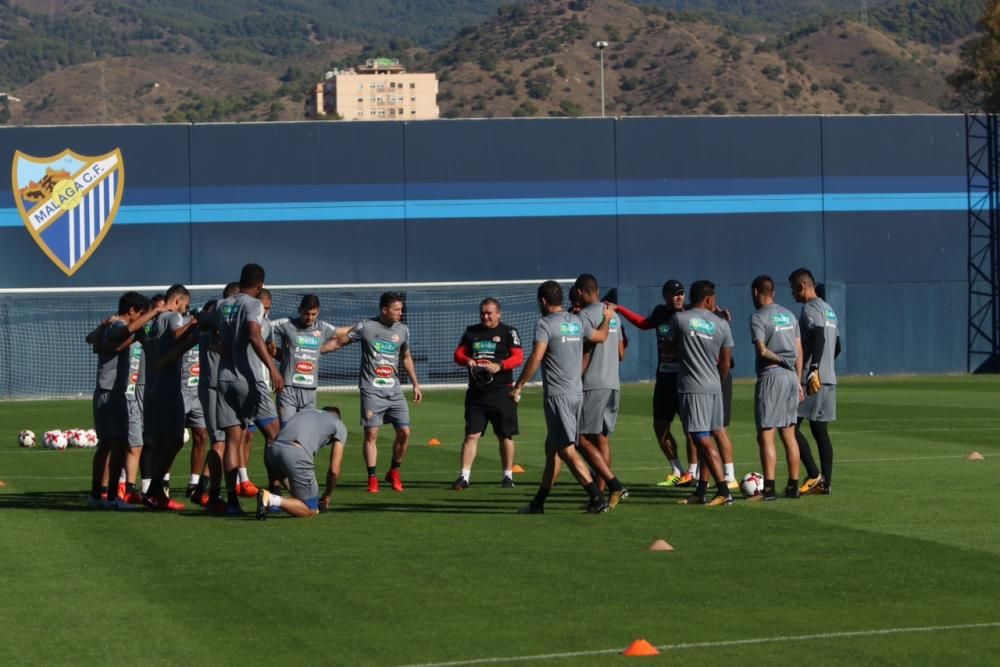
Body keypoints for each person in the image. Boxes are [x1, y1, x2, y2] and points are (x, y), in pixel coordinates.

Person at [511, 280, 628, 514]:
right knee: (552, 448)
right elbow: (602, 337)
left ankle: (601, 494)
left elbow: (536, 356)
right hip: (577, 394)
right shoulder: (575, 321)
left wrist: (519, 385)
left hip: (558, 395)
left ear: (543, 301)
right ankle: (538, 503)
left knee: (566, 450)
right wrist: (607, 318)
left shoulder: (544, 324)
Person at [328, 292, 422, 493]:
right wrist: (316, 353)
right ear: (384, 310)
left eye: (401, 309)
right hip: (371, 390)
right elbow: (339, 342)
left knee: (405, 432)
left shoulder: (403, 330)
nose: (400, 313)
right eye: (396, 309)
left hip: (394, 391)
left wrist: (415, 383)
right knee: (371, 434)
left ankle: (394, 471)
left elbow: (406, 356)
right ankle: (372, 478)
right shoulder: (366, 327)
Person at [215, 263, 284, 514]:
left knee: (232, 440)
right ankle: (275, 495)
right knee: (275, 436)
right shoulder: (253, 304)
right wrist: (274, 370)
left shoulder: (223, 304)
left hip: (224, 378)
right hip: (248, 379)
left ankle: (233, 501)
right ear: (260, 285)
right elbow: (254, 334)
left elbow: (209, 331)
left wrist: (224, 348)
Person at [613, 280, 698, 486]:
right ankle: (676, 469)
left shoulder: (689, 313)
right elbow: (643, 324)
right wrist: (619, 308)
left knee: (692, 429)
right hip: (664, 379)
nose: (680, 297)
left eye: (682, 294)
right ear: (665, 296)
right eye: (675, 294)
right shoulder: (660, 312)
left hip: (685, 379)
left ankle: (693, 472)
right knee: (660, 427)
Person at [86, 292, 162, 510]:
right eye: (139, 313)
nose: (139, 317)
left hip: (105, 390)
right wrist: (155, 312)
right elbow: (127, 331)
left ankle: (98, 495)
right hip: (113, 391)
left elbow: (93, 341)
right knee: (118, 442)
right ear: (131, 311)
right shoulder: (120, 324)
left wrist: (101, 332)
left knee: (107, 444)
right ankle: (112, 497)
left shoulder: (111, 325)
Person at [665, 280, 735, 507]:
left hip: (692, 388)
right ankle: (702, 491)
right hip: (715, 387)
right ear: (709, 299)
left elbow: (666, 350)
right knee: (710, 435)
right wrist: (716, 381)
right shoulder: (722, 324)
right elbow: (725, 364)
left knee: (701, 440)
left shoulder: (679, 319)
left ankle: (724, 490)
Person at [451, 297, 524, 490]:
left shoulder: (509, 332)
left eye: (489, 313)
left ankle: (508, 476)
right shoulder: (471, 332)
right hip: (477, 394)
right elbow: (457, 354)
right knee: (471, 435)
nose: (485, 316)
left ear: (498, 313)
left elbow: (518, 357)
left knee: (505, 435)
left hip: (502, 392)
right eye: (482, 312)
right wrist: (466, 360)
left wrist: (500, 365)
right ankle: (464, 477)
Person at [142, 284, 201, 511]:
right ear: (177, 301)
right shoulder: (172, 317)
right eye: (185, 306)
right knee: (175, 438)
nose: (185, 310)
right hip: (169, 388)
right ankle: (155, 489)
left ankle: (155, 490)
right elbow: (178, 334)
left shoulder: (156, 321)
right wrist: (194, 323)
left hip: (156, 388)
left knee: (166, 439)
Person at [750, 275, 803, 500]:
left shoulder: (758, 317)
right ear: (774, 292)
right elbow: (799, 351)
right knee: (789, 433)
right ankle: (793, 486)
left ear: (755, 292)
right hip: (792, 378)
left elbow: (761, 350)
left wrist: (780, 360)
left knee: (766, 434)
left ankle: (769, 489)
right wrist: (798, 380)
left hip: (772, 376)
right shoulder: (790, 315)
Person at [789, 268, 840, 496]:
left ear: (802, 286)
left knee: (789, 426)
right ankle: (826, 484)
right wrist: (826, 366)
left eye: (793, 288)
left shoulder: (809, 309)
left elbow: (818, 336)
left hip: (811, 378)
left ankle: (813, 474)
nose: (792, 294)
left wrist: (814, 369)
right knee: (820, 431)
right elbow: (837, 346)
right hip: (829, 380)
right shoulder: (829, 310)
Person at [575, 274, 626, 495]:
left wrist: (573, 378)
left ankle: (608, 488)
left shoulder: (584, 316)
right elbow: (621, 353)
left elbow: (584, 353)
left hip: (592, 383)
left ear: (579, 292)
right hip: (613, 382)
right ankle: (605, 492)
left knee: (581, 439)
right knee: (602, 438)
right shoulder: (613, 315)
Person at [256, 407, 348, 519]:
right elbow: (334, 470)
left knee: (301, 499)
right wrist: (327, 495)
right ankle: (269, 498)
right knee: (310, 509)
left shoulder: (307, 412)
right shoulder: (339, 424)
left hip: (273, 451)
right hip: (295, 454)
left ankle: (279, 500)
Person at [271, 294, 340, 424]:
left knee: (305, 432)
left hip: (310, 390)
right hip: (288, 388)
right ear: (299, 310)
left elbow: (342, 334)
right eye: (307, 314)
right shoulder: (287, 324)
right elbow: (263, 328)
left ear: (318, 312)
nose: (310, 317)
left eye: (313, 314)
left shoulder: (323, 328)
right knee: (287, 429)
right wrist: (273, 349)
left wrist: (321, 349)